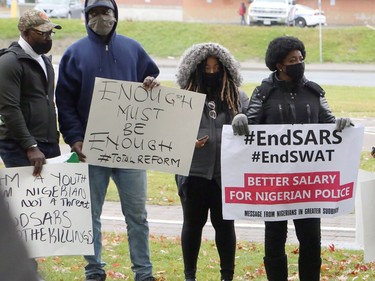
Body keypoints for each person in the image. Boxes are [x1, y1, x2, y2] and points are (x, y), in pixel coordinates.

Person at [232, 36, 352, 281]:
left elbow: (329, 125)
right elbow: (249, 128)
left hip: (308, 184)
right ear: (279, 65)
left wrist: (342, 124)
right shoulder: (263, 93)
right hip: (274, 184)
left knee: (311, 239)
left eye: (301, 58)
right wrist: (240, 120)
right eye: (292, 60)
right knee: (274, 238)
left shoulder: (314, 91)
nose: (299, 63)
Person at [55, 0, 159, 280]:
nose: (101, 18)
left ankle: (144, 272)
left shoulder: (132, 48)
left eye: (106, 12)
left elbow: (150, 78)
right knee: (90, 215)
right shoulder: (74, 53)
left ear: (116, 15)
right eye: (94, 13)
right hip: (92, 149)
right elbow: (64, 101)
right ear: (86, 17)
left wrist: (150, 82)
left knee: (138, 216)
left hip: (130, 148)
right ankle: (94, 270)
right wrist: (74, 138)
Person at [175, 42, 249, 281]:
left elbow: (254, 128)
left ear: (226, 69)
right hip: (193, 173)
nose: (211, 72)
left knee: (225, 226)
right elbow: (169, 133)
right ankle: (190, 276)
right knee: (192, 225)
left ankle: (227, 276)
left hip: (225, 174)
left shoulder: (238, 97)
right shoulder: (183, 97)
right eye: (205, 68)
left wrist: (243, 120)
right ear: (194, 69)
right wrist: (188, 142)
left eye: (216, 67)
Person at [0, 9, 62, 281]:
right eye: (42, 32)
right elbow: (9, 108)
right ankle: (22, 271)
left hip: (46, 143)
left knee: (41, 213)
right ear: (25, 33)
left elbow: (46, 103)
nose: (48, 36)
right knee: (24, 214)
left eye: (51, 31)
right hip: (20, 146)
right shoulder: (10, 63)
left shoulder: (45, 61)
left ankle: (29, 268)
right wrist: (30, 145)